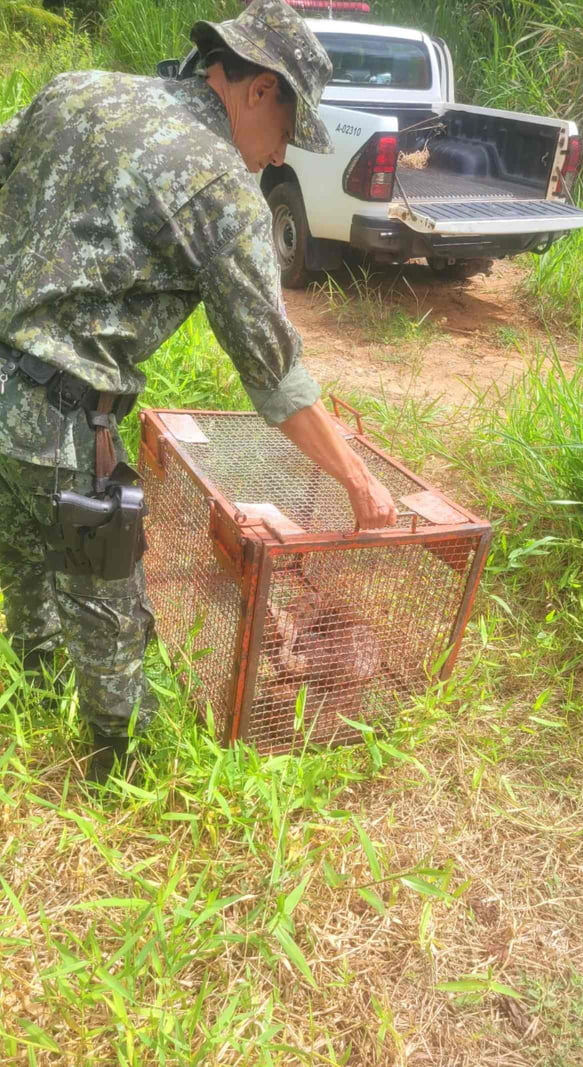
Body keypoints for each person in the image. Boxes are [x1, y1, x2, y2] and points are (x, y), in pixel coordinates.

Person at [0, 0, 397, 782]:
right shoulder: (219, 185)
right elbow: (274, 376)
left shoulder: (78, 87)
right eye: (286, 132)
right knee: (109, 615)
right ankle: (125, 785)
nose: (275, 157)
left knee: (23, 558)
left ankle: (34, 693)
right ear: (258, 90)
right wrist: (360, 482)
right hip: (62, 421)